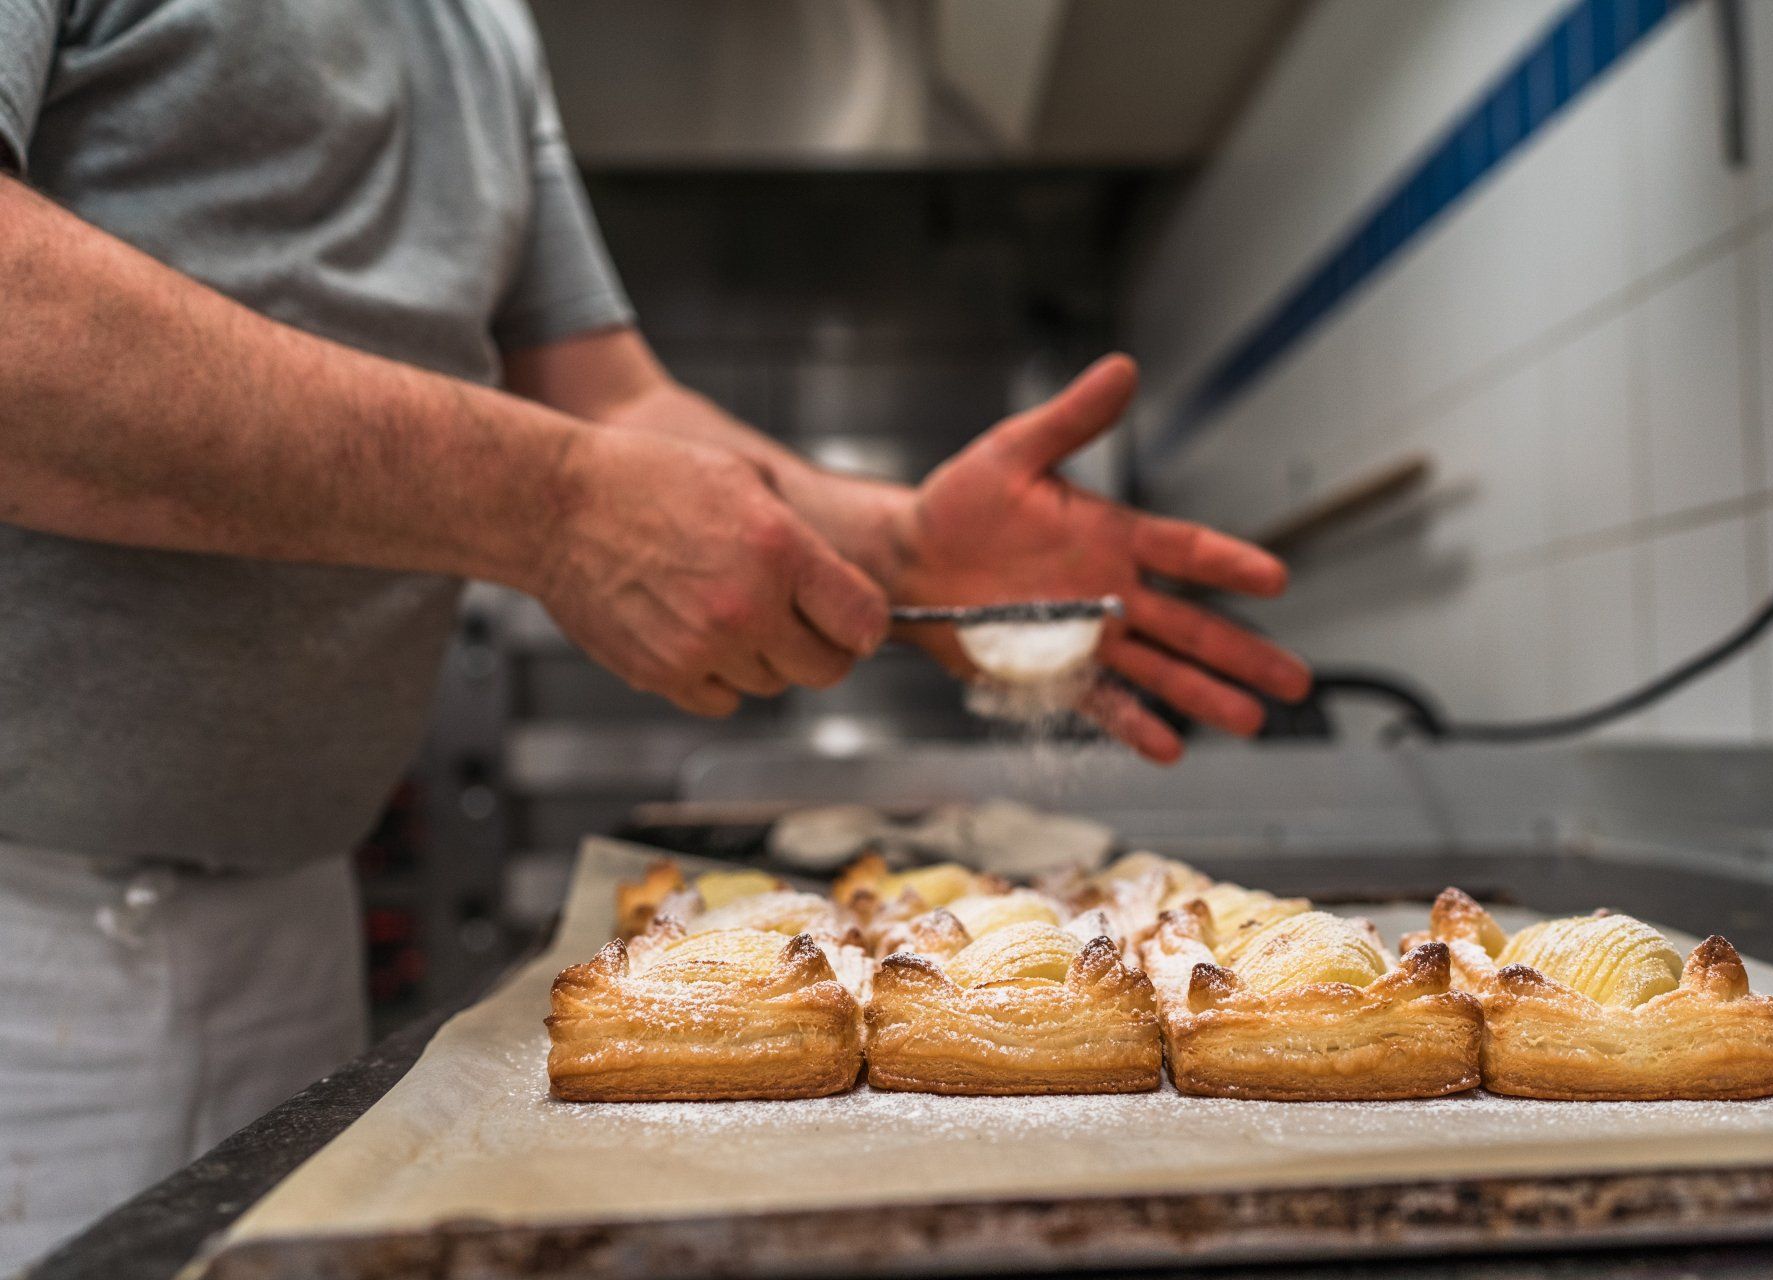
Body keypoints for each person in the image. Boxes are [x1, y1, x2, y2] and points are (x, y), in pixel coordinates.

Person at [0, 0, 1311, 1266]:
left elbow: (614, 405)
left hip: (290, 906)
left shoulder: (478, 25)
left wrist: (898, 546)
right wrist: (552, 505)